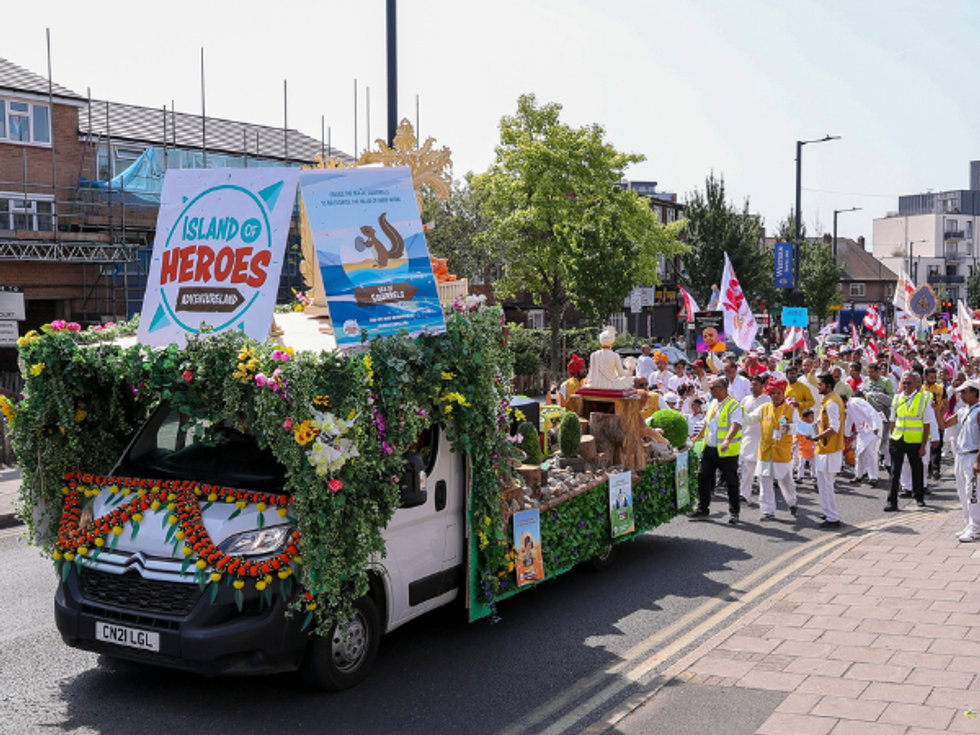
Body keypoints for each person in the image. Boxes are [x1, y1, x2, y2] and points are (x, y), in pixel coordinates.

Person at [743, 377, 799, 520]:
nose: (775, 396)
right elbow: (749, 420)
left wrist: (789, 427)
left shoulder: (791, 410)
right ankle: (767, 511)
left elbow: (799, 428)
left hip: (782, 452)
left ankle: (792, 502)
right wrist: (739, 411)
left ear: (783, 394)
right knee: (765, 481)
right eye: (773, 393)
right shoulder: (763, 408)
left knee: (785, 481)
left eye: (778, 393)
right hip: (765, 452)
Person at [690, 377, 743, 524]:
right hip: (710, 449)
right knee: (702, 477)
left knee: (731, 482)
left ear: (722, 389)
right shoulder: (713, 403)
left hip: (726, 451)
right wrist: (697, 438)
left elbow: (736, 424)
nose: (711, 390)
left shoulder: (733, 405)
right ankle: (702, 508)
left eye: (713, 388)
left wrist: (727, 440)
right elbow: (707, 423)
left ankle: (734, 513)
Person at [938, 379, 980, 542]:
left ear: (974, 393)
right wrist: (938, 411)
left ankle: (976, 527)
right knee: (962, 492)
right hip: (961, 456)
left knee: (973, 493)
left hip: (972, 455)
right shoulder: (963, 411)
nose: (961, 395)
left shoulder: (978, 411)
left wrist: (978, 460)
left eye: (964, 392)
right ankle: (969, 523)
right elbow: (944, 425)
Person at [885, 371, 932, 512]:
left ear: (916, 384)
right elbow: (892, 420)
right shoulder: (897, 398)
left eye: (909, 383)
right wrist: (892, 437)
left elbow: (927, 424)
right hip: (898, 439)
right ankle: (892, 501)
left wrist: (923, 445)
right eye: (903, 382)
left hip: (915, 440)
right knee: (895, 472)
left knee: (916, 470)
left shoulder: (923, 399)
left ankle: (919, 497)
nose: (906, 385)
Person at [814, 372, 845, 528]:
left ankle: (833, 517)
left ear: (828, 386)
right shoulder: (827, 400)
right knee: (823, 483)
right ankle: (828, 512)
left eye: (820, 384)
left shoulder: (832, 402)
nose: (818, 386)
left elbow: (834, 427)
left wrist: (816, 437)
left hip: (830, 449)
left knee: (827, 484)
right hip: (824, 448)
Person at [739, 374, 772, 506]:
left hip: (763, 439)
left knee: (763, 473)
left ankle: (764, 500)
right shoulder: (745, 400)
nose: (753, 387)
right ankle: (744, 495)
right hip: (747, 438)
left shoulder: (768, 400)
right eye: (752, 384)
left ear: (763, 386)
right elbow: (741, 418)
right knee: (747, 469)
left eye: (756, 385)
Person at [844, 390, 882, 486]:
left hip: (872, 429)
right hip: (862, 431)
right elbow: (849, 421)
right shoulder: (848, 407)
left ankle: (873, 477)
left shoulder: (856, 401)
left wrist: (875, 426)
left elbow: (871, 412)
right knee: (859, 453)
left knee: (871, 452)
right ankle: (858, 476)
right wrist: (846, 435)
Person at [923, 366, 945, 480]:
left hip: (938, 419)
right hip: (926, 421)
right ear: (925, 377)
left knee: (937, 445)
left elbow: (945, 404)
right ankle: (929, 469)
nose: (933, 379)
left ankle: (936, 469)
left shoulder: (940, 388)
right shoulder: (921, 389)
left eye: (934, 377)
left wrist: (939, 416)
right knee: (927, 445)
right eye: (931, 377)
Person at [795, 409, 817, 481]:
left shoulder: (814, 426)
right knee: (801, 463)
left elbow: (817, 434)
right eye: (811, 416)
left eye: (813, 416)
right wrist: (794, 443)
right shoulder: (801, 426)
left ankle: (814, 476)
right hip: (803, 448)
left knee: (813, 464)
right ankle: (800, 476)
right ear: (805, 418)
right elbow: (797, 436)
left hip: (812, 448)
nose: (813, 418)